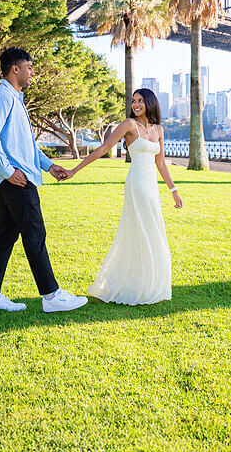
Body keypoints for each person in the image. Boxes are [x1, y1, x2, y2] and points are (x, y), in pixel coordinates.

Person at [0, 48, 88, 314]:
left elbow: (25, 146)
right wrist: (8, 171)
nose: (32, 72)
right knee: (35, 233)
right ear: (15, 68)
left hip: (16, 176)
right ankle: (52, 296)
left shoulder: (15, 98)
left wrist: (49, 166)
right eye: (29, 67)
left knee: (4, 236)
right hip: (16, 179)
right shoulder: (2, 97)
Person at [63, 88, 182, 305]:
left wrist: (173, 191)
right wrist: (74, 171)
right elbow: (103, 148)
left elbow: (161, 163)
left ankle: (148, 282)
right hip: (136, 184)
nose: (136, 105)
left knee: (154, 230)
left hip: (151, 187)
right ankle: (131, 284)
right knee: (140, 230)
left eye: (140, 101)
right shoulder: (129, 125)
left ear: (150, 103)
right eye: (133, 101)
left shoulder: (158, 129)